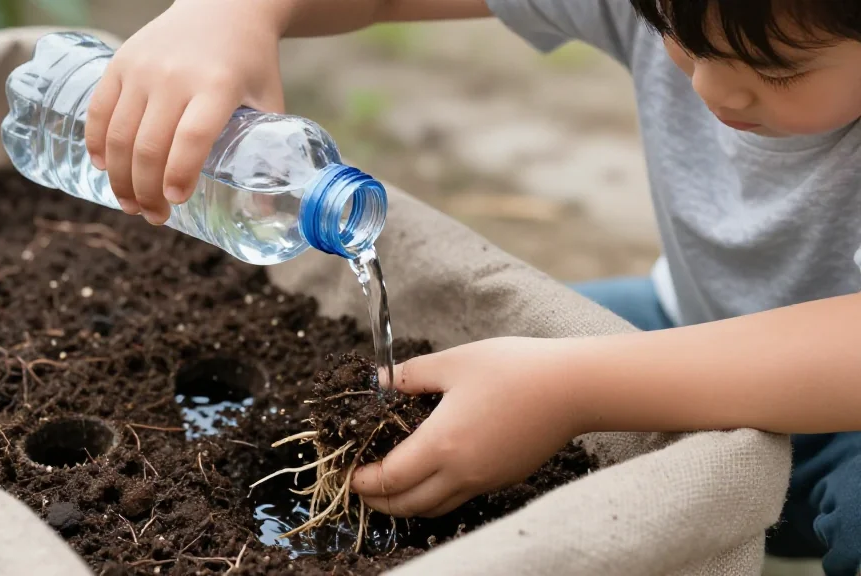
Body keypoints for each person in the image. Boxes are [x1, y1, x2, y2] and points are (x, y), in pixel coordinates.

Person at [82, 0, 861, 573]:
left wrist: (572, 388)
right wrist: (237, 12)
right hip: (688, 322)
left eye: (779, 70)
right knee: (474, 361)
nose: (715, 91)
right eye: (681, 42)